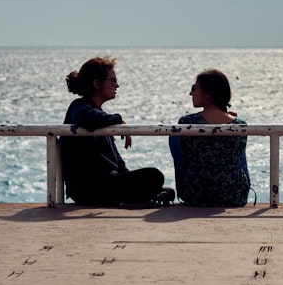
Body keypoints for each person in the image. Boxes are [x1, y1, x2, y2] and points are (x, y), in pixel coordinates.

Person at [61, 57, 172, 207]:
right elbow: (86, 117)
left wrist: (127, 175)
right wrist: (118, 120)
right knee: (154, 176)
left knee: (165, 188)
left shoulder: (102, 117)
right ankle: (135, 199)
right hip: (89, 188)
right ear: (97, 83)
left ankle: (137, 198)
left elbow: (116, 161)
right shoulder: (79, 107)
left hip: (108, 183)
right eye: (113, 81)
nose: (117, 85)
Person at [169, 69, 251, 207]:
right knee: (236, 150)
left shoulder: (187, 123)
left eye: (194, 88)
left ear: (208, 94)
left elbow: (184, 158)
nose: (191, 93)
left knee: (174, 136)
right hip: (233, 194)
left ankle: (184, 186)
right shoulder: (240, 124)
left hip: (196, 193)